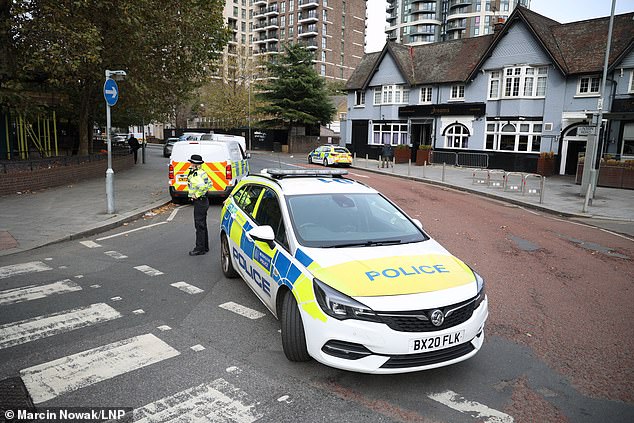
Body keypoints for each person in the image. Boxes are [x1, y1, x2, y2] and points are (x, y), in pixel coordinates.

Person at [187, 154, 213, 256]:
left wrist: (196, 195)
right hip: (204, 201)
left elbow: (202, 187)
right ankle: (205, 247)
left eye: (191, 162)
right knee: (203, 225)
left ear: (195, 164)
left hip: (200, 201)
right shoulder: (202, 172)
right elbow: (209, 184)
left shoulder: (196, 174)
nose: (190, 164)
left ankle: (199, 248)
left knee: (199, 226)